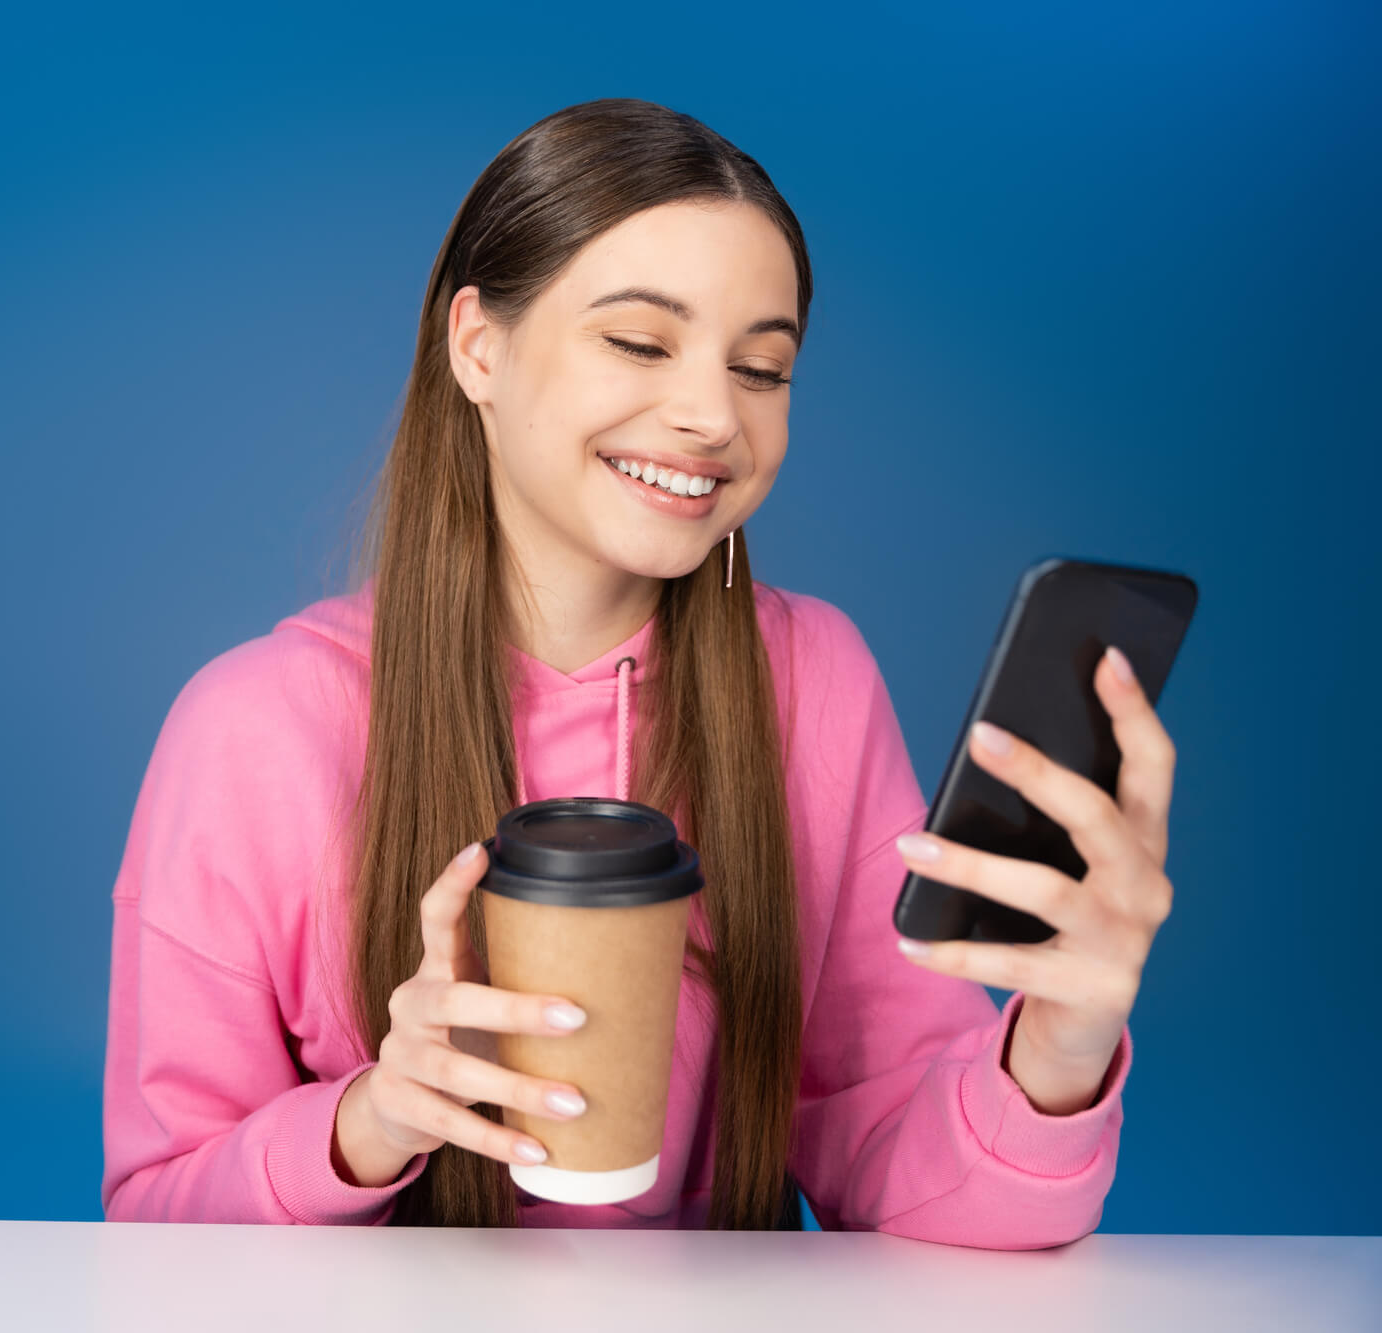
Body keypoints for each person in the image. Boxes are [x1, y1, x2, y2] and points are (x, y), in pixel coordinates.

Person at [100, 98, 1172, 1243]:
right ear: (477, 346)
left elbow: (901, 1164)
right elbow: (157, 1226)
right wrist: (367, 1122)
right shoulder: (253, 727)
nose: (711, 415)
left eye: (760, 367)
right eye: (638, 342)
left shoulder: (810, 682)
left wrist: (1056, 1047)